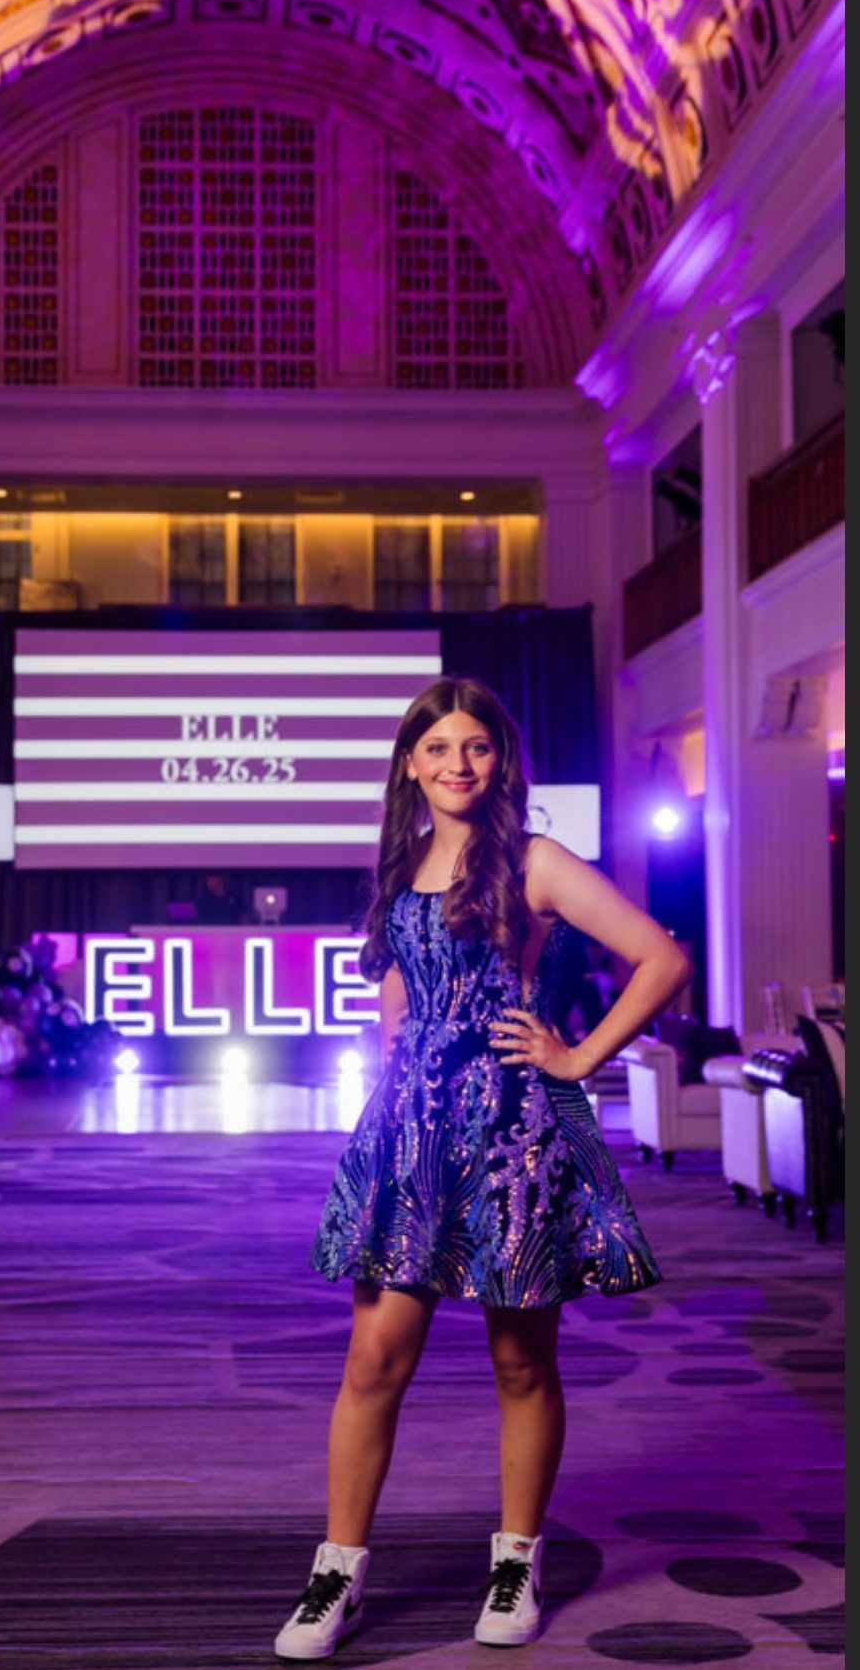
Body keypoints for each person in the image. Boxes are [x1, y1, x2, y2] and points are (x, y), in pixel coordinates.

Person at [274, 677, 689, 1657]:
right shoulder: (404, 861)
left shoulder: (534, 859)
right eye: (440, 747)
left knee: (520, 1359)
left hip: (513, 1135)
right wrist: (397, 1057)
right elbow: (399, 988)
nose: (460, 763)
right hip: (411, 1138)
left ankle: (517, 1558)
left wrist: (576, 1057)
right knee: (373, 1361)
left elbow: (661, 957)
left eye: (479, 747)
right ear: (411, 764)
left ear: (500, 761)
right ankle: (336, 1574)